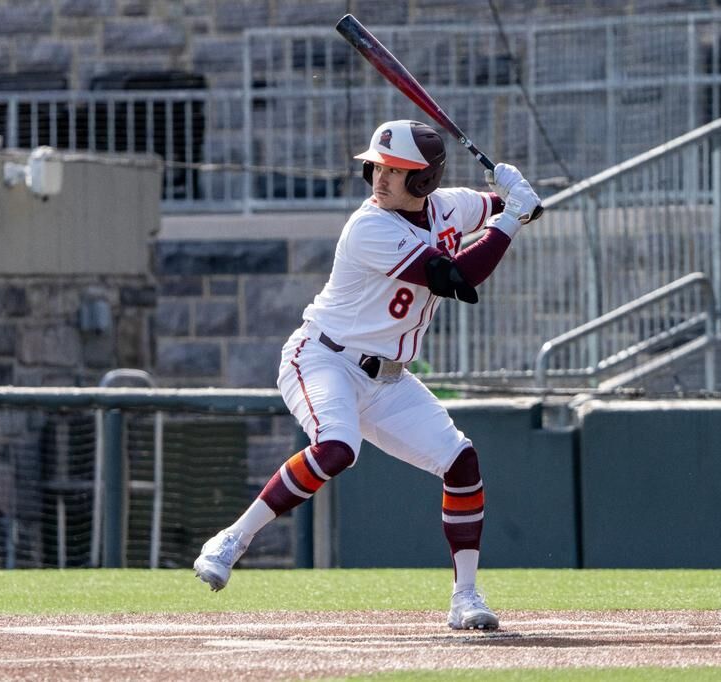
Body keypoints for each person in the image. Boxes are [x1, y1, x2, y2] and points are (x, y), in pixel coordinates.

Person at [193, 119, 541, 630]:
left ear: (423, 181)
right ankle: (233, 540)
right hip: (324, 357)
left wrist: (516, 195)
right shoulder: (369, 226)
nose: (380, 177)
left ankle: (465, 596)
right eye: (376, 166)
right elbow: (456, 277)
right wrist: (513, 217)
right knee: (338, 448)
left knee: (461, 461)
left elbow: (500, 207)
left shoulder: (448, 205)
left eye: (395, 170)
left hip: (389, 378)